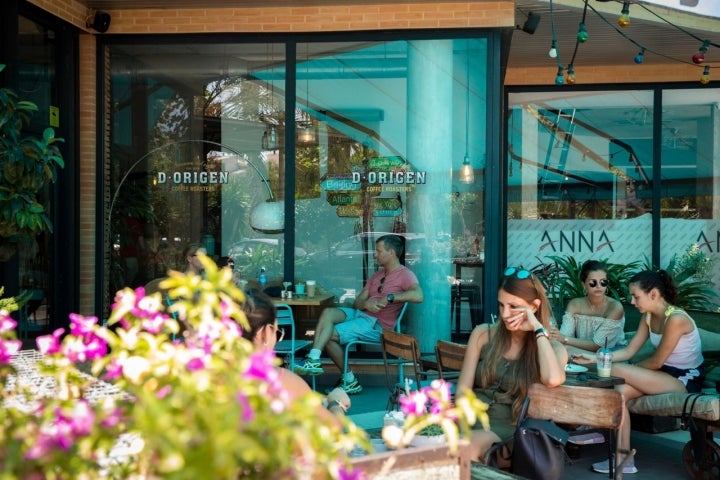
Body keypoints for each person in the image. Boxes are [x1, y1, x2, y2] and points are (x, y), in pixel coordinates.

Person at [574, 269, 704, 475]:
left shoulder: (677, 319)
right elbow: (628, 350)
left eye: (636, 296)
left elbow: (656, 361)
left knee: (615, 370)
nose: (632, 302)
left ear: (653, 294)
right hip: (661, 374)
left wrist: (625, 369)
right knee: (620, 392)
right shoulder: (649, 317)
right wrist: (595, 358)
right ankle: (624, 458)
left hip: (684, 378)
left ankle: (590, 422)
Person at [457, 267, 567, 462]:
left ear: (534, 306)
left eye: (514, 306)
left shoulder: (552, 348)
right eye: (501, 305)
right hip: (469, 420)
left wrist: (538, 329)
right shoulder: (483, 334)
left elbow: (552, 379)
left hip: (507, 431)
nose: (505, 314)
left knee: (461, 450)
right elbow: (462, 391)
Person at [294, 234, 424, 394]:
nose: (375, 254)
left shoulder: (405, 274)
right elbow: (357, 303)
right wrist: (366, 304)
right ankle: (314, 359)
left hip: (376, 325)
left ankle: (348, 380)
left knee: (327, 336)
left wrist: (390, 297)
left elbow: (418, 295)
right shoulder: (377, 275)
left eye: (378, 251)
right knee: (328, 312)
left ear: (391, 252)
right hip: (361, 314)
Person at [240, 288, 351, 422]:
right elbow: (333, 427)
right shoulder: (281, 381)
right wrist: (337, 404)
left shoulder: (211, 376)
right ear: (265, 332)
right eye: (277, 332)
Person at [549, 260, 626, 356]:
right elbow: (564, 335)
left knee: (564, 351)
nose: (599, 286)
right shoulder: (575, 304)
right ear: (583, 284)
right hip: (578, 350)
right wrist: (559, 337)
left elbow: (598, 345)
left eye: (603, 282)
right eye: (593, 283)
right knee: (560, 350)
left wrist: (564, 339)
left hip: (610, 354)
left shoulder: (614, 307)